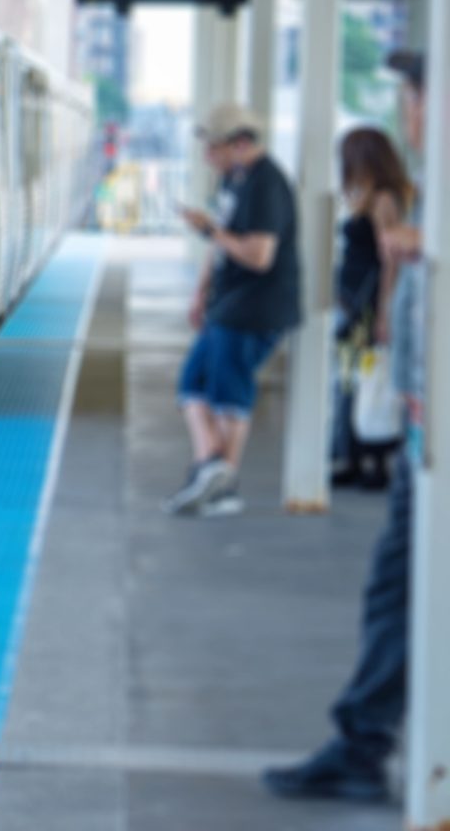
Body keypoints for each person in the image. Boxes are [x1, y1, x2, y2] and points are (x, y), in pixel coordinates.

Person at [263, 50, 426, 803]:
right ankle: (363, 742)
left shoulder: (402, 205)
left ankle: (363, 748)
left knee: (398, 592)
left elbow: (391, 293)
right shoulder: (409, 200)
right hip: (428, 439)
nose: (412, 110)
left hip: (434, 446)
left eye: (417, 95)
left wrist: (397, 307)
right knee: (396, 592)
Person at [164, 103, 301, 517]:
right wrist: (200, 291)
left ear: (240, 143)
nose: (207, 156)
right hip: (228, 305)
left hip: (254, 309)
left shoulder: (266, 185)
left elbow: (259, 255)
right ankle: (212, 470)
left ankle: (222, 485)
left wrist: (209, 229)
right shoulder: (235, 181)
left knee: (228, 395)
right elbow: (221, 244)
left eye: (214, 146)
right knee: (193, 384)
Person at [331, 127, 411, 490]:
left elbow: (389, 260)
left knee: (368, 380)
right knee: (352, 380)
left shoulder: (383, 200)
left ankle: (373, 462)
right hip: (354, 303)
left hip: (368, 306)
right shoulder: (368, 196)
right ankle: (354, 457)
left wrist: (384, 312)